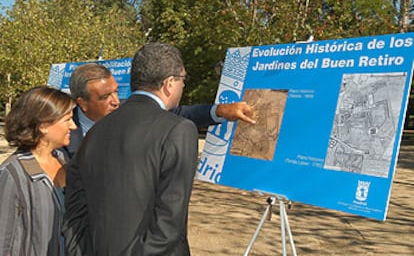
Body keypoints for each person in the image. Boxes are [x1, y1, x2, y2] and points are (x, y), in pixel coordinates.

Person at [64, 42, 203, 255]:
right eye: (183, 79)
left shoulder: (94, 131)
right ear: (169, 83)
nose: (183, 86)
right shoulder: (179, 129)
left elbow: (74, 210)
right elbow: (169, 223)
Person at [63, 62, 256, 158]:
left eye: (115, 92)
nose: (115, 102)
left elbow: (180, 114)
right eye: (105, 97)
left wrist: (221, 110)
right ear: (82, 103)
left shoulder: (129, 110)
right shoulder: (61, 135)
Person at [0, 86, 77, 256]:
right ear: (43, 125)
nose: (73, 126)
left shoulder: (67, 164)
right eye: (67, 120)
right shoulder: (12, 175)